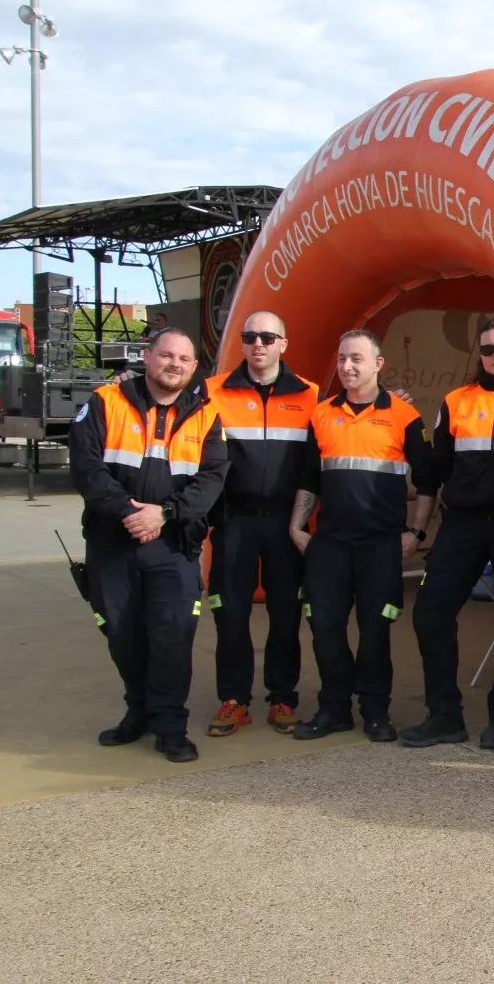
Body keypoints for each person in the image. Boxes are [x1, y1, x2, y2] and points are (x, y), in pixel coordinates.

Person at [69, 327, 228, 763]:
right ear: (148, 356)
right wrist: (128, 512)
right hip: (112, 543)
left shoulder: (206, 415)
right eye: (166, 355)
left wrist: (164, 514)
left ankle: (170, 725)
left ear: (194, 368)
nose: (174, 364)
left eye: (184, 359)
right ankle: (137, 712)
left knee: (173, 636)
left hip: (174, 545)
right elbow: (85, 468)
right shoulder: (106, 402)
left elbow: (212, 480)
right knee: (122, 635)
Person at [402, 317, 494, 750]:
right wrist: (419, 527)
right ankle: (444, 715)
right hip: (461, 524)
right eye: (488, 349)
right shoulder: (457, 401)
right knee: (429, 611)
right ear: (479, 355)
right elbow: (432, 470)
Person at [290, 329, 437, 743]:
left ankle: (375, 711)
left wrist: (416, 531)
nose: (347, 367)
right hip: (329, 545)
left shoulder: (404, 416)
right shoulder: (321, 414)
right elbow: (308, 477)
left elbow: (427, 481)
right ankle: (334, 708)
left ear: (378, 364)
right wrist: (295, 526)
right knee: (325, 629)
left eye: (356, 358)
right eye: (341, 359)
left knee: (376, 632)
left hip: (381, 545)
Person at [202, 311, 320, 737]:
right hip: (233, 523)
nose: (258, 344)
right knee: (229, 614)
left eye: (268, 337)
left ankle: (283, 697)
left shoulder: (310, 395)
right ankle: (233, 698)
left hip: (285, 526)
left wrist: (300, 524)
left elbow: (315, 466)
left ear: (282, 344)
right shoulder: (212, 392)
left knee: (286, 614)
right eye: (250, 336)